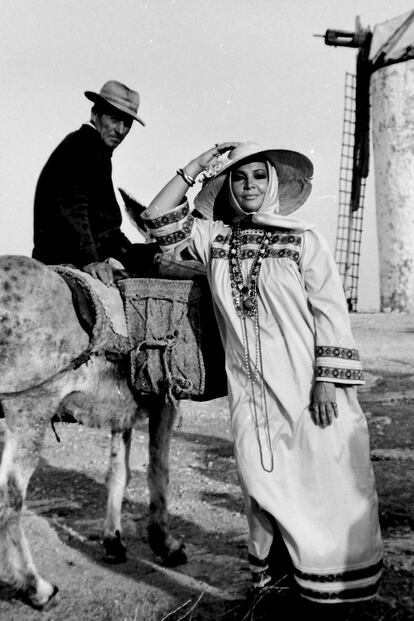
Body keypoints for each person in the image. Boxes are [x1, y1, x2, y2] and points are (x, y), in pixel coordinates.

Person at [142, 142, 383, 616]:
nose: (248, 186)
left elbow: (330, 312)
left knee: (322, 483)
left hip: (308, 386)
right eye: (238, 178)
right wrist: (195, 166)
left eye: (257, 176)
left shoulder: (304, 238)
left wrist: (326, 381)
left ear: (271, 183)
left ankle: (330, 594)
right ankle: (276, 593)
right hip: (251, 394)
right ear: (228, 188)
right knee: (263, 484)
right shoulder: (215, 239)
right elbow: (156, 215)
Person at [32, 80, 158, 285]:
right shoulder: (85, 146)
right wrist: (89, 260)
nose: (121, 130)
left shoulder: (90, 148)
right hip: (65, 259)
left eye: (127, 123)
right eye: (115, 119)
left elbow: (108, 233)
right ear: (94, 114)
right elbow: (73, 208)